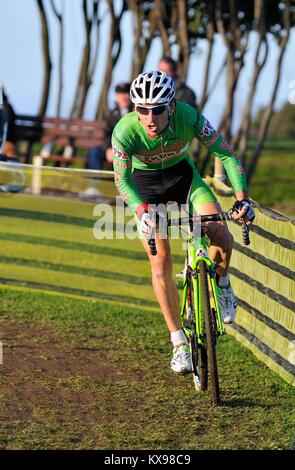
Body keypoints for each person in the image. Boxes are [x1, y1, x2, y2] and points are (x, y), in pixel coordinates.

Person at [111, 71, 255, 376]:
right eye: (142, 109)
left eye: (158, 109)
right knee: (160, 261)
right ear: (134, 108)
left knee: (222, 236)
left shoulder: (189, 117)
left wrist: (242, 198)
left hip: (183, 179)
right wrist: (141, 211)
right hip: (146, 188)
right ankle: (178, 343)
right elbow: (122, 180)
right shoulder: (124, 131)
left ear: (172, 107)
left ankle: (224, 283)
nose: (150, 117)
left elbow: (227, 155)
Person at [87, 82, 132, 171]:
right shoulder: (113, 114)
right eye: (120, 94)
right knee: (95, 152)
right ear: (116, 97)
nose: (123, 97)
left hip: (130, 149)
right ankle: (94, 182)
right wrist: (108, 148)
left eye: (126, 93)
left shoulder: (137, 112)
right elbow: (107, 133)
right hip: (113, 148)